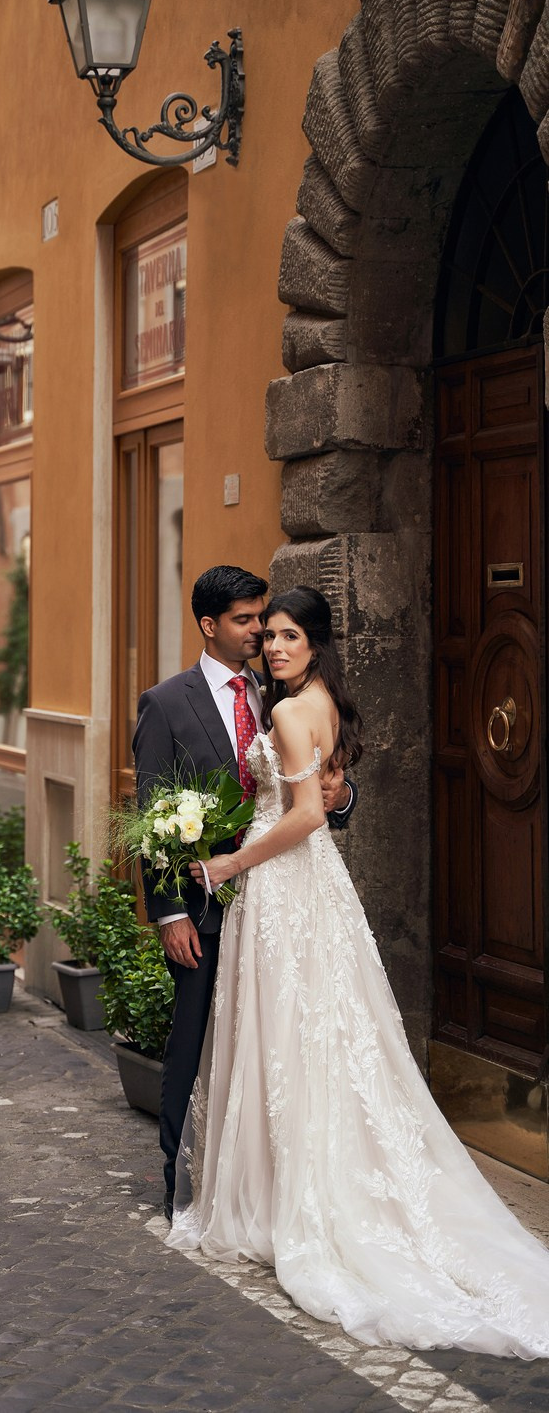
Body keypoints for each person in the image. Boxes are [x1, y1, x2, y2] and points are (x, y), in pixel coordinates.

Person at [167, 586, 549, 1356]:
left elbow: (308, 812)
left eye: (289, 638)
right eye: (267, 636)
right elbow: (314, 798)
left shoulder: (285, 711)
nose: (274, 648)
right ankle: (292, 1187)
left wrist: (228, 862)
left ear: (315, 644)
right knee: (319, 1036)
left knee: (293, 1034)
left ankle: (287, 1202)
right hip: (312, 888)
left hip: (280, 886)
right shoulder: (323, 702)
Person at [132, 566, 356, 1224]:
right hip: (201, 903)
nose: (261, 631)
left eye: (265, 618)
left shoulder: (280, 688)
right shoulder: (166, 703)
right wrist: (169, 910)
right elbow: (150, 813)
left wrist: (342, 798)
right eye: (246, 620)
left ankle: (262, 1180)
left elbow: (314, 787)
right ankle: (178, 1180)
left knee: (274, 1039)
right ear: (210, 626)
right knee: (194, 1037)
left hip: (278, 894)